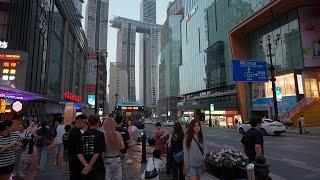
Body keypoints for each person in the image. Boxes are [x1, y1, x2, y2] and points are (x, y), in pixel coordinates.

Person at [77, 115, 106, 180]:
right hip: (97, 166)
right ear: (98, 122)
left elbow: (79, 153)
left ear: (88, 123)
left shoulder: (82, 135)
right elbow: (97, 152)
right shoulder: (100, 134)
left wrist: (86, 165)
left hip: (84, 165)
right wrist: (90, 165)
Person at [68, 114, 87, 180]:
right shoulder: (75, 131)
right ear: (79, 121)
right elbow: (80, 142)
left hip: (74, 159)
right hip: (76, 160)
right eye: (84, 122)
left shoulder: (74, 130)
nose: (85, 124)